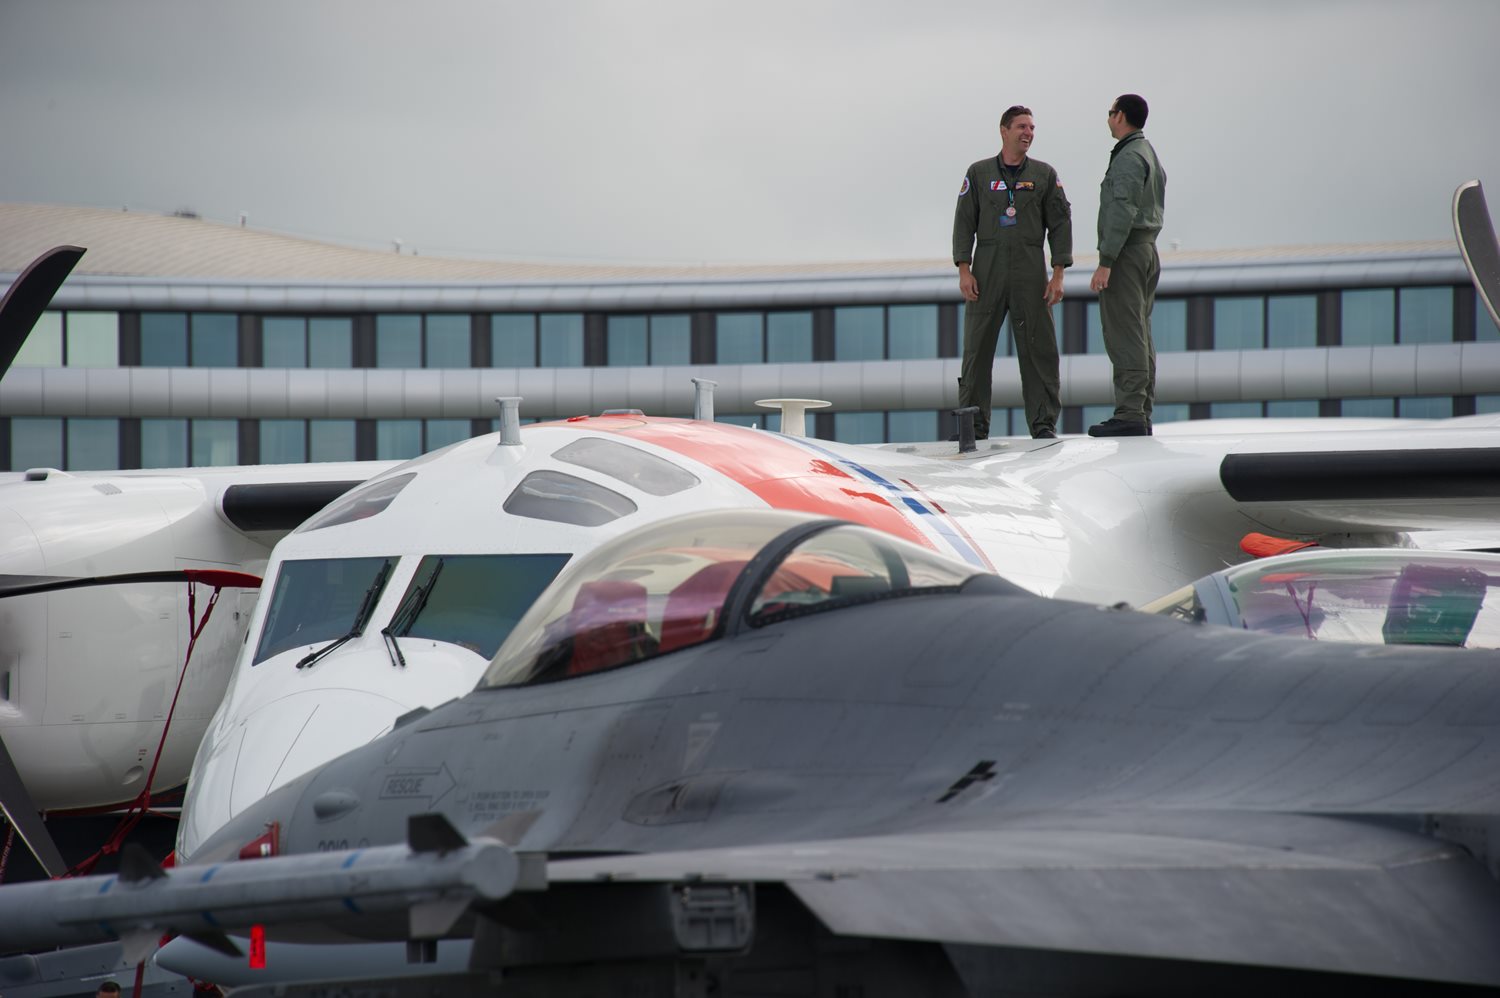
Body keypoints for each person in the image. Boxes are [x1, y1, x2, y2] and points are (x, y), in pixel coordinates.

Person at [952, 105, 1072, 439]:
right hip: (986, 269)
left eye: (1032, 128)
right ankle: (973, 426)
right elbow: (964, 221)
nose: (1028, 133)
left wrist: (1058, 274)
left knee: (1039, 348)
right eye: (1021, 127)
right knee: (976, 348)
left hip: (1030, 269)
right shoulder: (979, 173)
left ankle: (1043, 423)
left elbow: (1060, 224)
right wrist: (964, 269)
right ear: (1004, 130)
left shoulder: (1044, 175)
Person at [1088, 93, 1166, 437]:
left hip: (1127, 253)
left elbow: (1122, 209)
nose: (1108, 118)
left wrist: (1106, 261)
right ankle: (1140, 411)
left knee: (1125, 333)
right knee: (1140, 333)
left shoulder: (1129, 157)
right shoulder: (1147, 152)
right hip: (1145, 249)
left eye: (1110, 112)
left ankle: (1131, 412)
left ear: (1120, 116)